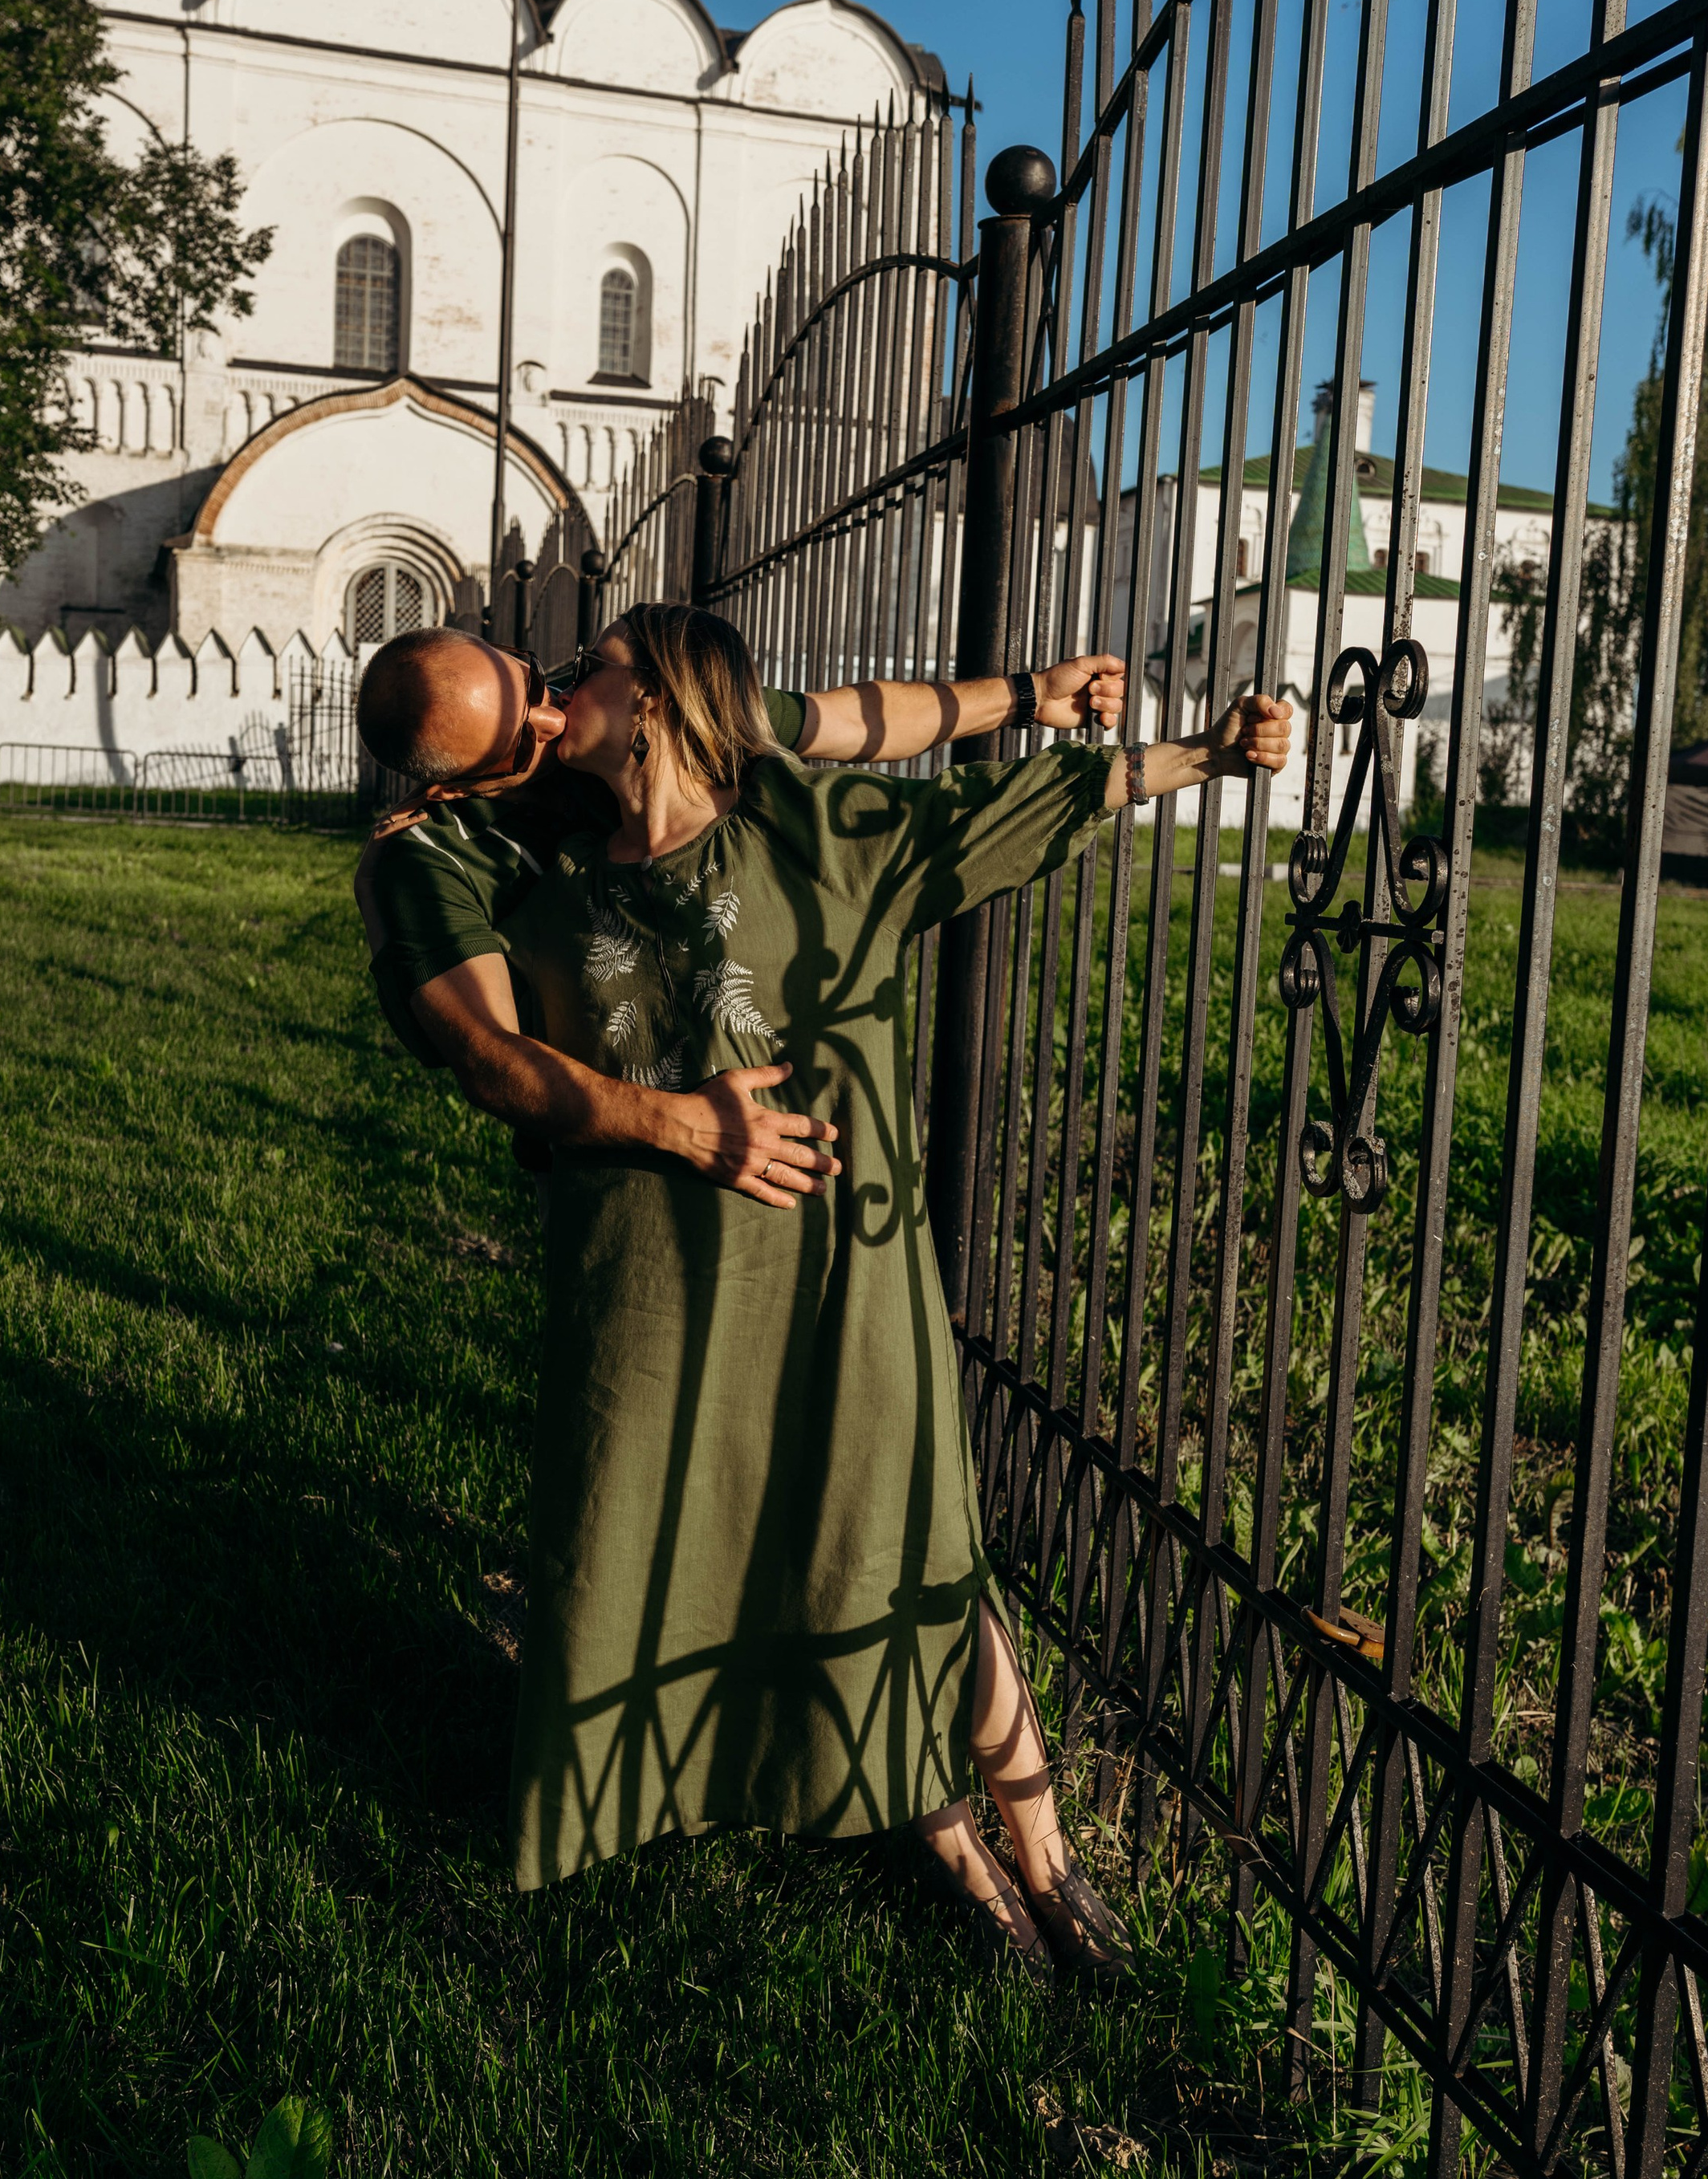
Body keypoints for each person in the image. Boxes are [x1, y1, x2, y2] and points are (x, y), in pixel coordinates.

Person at [413, 602, 1293, 1976]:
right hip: (658, 1297)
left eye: (586, 665)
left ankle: (1048, 1856)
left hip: (842, 1275)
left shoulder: (806, 830)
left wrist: (1196, 756)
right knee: (789, 1555)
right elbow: (483, 1035)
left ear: (657, 698)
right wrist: (455, 774)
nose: (560, 683)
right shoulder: (543, 893)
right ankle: (957, 1858)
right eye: (553, 673)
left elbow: (994, 816)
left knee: (917, 1546)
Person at [353, 626, 1128, 1202]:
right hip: (623, 1156)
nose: (555, 718)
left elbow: (843, 720)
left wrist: (1025, 695)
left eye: (536, 683)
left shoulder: (619, 715)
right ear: (450, 785)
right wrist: (682, 1127)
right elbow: (489, 1058)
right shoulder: (422, 863)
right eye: (524, 741)